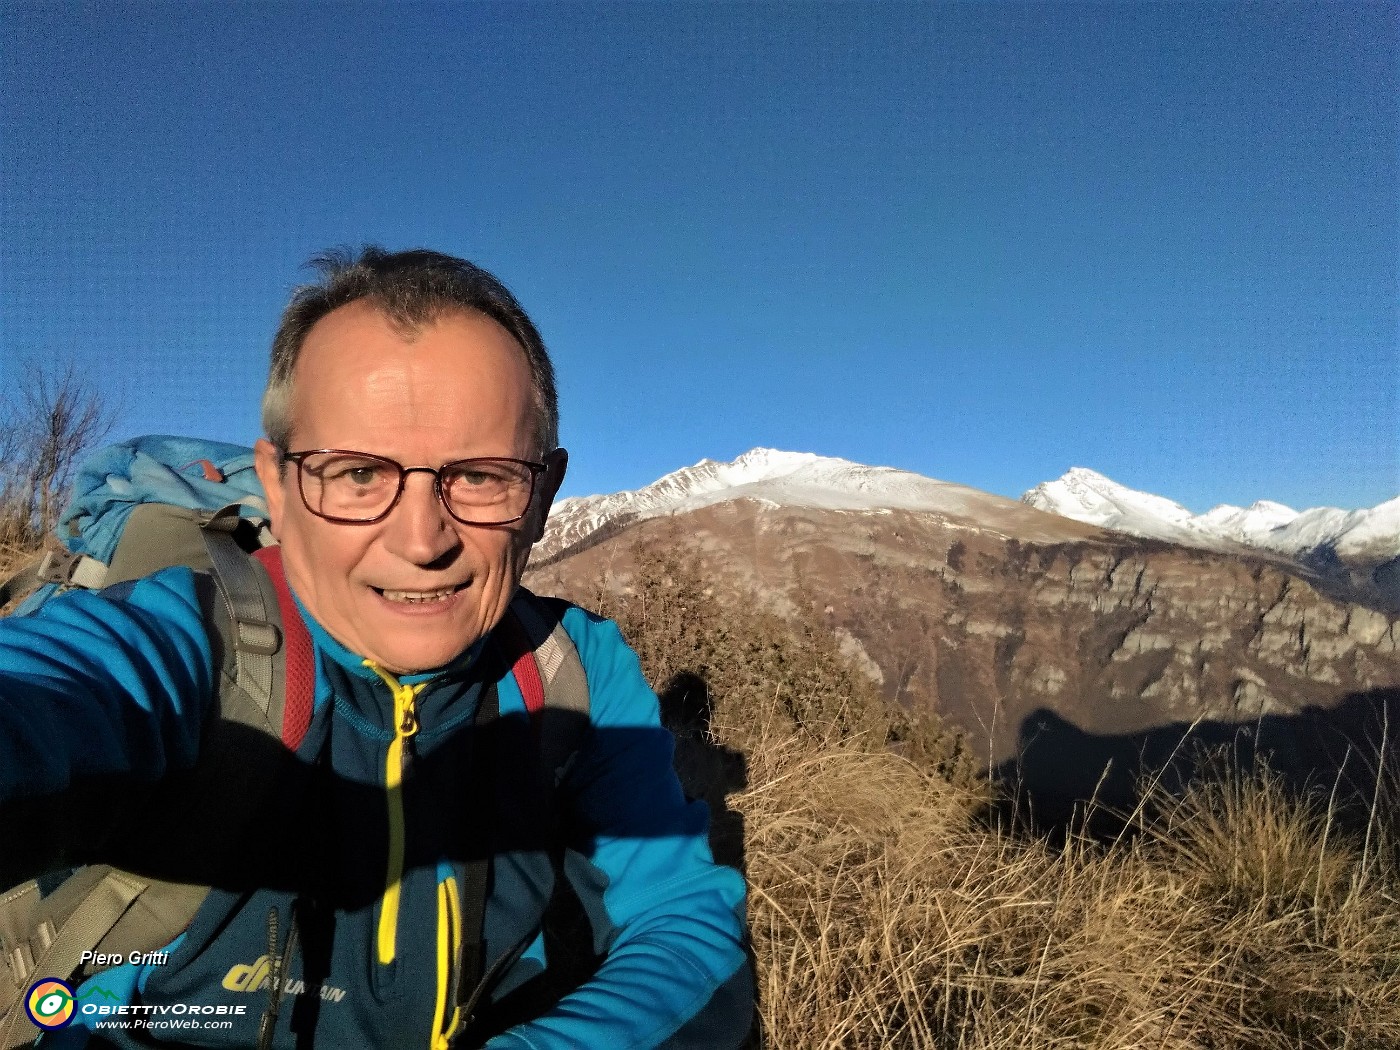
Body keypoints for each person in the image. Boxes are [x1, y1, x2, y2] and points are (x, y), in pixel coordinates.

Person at [0, 248, 753, 1047]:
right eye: (357, 473)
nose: (422, 538)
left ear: (544, 497)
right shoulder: (189, 644)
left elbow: (686, 931)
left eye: (482, 476)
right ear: (282, 491)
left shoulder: (574, 673)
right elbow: (47, 695)